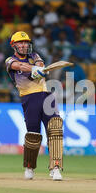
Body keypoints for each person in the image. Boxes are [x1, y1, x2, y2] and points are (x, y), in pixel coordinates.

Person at [5, 31, 64, 181]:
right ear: (14, 45)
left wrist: (38, 68)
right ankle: (30, 166)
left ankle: (56, 168)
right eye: (21, 43)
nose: (25, 45)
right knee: (33, 135)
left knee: (55, 128)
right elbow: (18, 66)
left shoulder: (34, 55)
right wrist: (34, 70)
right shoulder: (9, 60)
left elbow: (40, 64)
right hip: (29, 98)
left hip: (46, 96)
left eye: (26, 43)